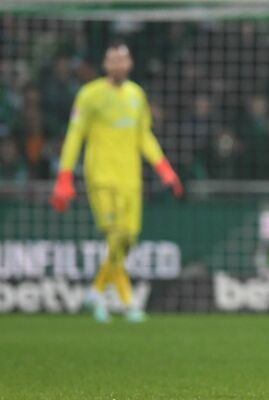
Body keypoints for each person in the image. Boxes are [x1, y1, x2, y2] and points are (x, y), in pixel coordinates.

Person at [50, 42, 183, 323]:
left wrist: (165, 170)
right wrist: (64, 177)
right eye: (113, 60)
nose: (118, 64)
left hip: (130, 180)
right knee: (115, 236)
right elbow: (75, 135)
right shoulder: (89, 95)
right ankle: (126, 301)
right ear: (105, 64)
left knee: (127, 240)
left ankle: (97, 293)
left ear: (130, 63)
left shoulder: (137, 95)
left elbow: (143, 136)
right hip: (100, 177)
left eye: (123, 59)